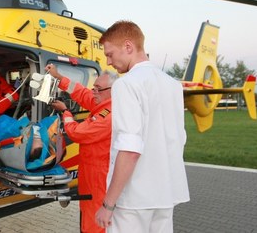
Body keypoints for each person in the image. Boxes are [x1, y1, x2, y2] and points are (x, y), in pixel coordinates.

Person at [95, 21, 189, 232]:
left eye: (110, 54)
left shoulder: (126, 84)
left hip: (133, 200)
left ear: (128, 46)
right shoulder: (173, 85)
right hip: (165, 194)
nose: (108, 62)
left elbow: (130, 149)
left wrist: (108, 204)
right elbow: (179, 138)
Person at [46, 64, 116, 233]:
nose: (94, 92)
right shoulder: (104, 102)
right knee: (87, 214)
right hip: (91, 172)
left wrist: (66, 112)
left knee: (94, 222)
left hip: (99, 178)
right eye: (94, 87)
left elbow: (78, 133)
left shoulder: (109, 115)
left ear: (113, 90)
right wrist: (59, 77)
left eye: (98, 89)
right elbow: (81, 93)